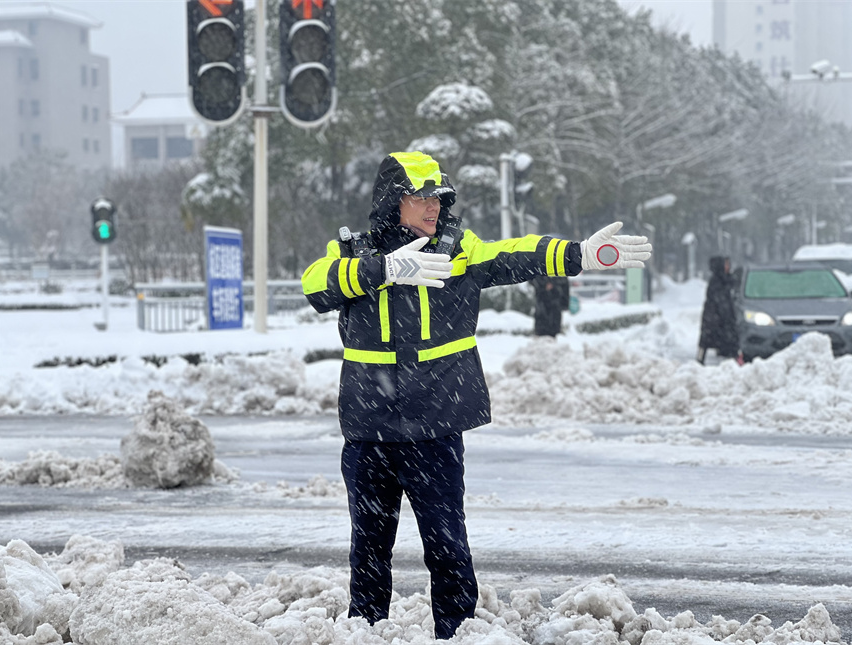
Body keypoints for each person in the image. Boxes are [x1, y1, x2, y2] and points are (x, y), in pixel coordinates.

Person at [300, 151, 652, 639]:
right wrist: (381, 270)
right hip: (370, 432)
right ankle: (366, 631)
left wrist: (578, 254)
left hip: (435, 428)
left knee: (447, 544)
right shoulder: (354, 253)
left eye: (439, 199)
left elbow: (518, 253)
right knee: (369, 546)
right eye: (421, 198)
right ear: (392, 201)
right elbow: (314, 285)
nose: (432, 208)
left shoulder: (458, 250)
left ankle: (458, 632)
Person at [697, 255, 739, 364]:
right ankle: (700, 359)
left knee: (727, 338)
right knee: (708, 339)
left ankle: (732, 358)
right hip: (714, 317)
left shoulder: (728, 279)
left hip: (721, 317)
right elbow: (719, 299)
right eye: (726, 264)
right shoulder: (716, 281)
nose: (728, 266)